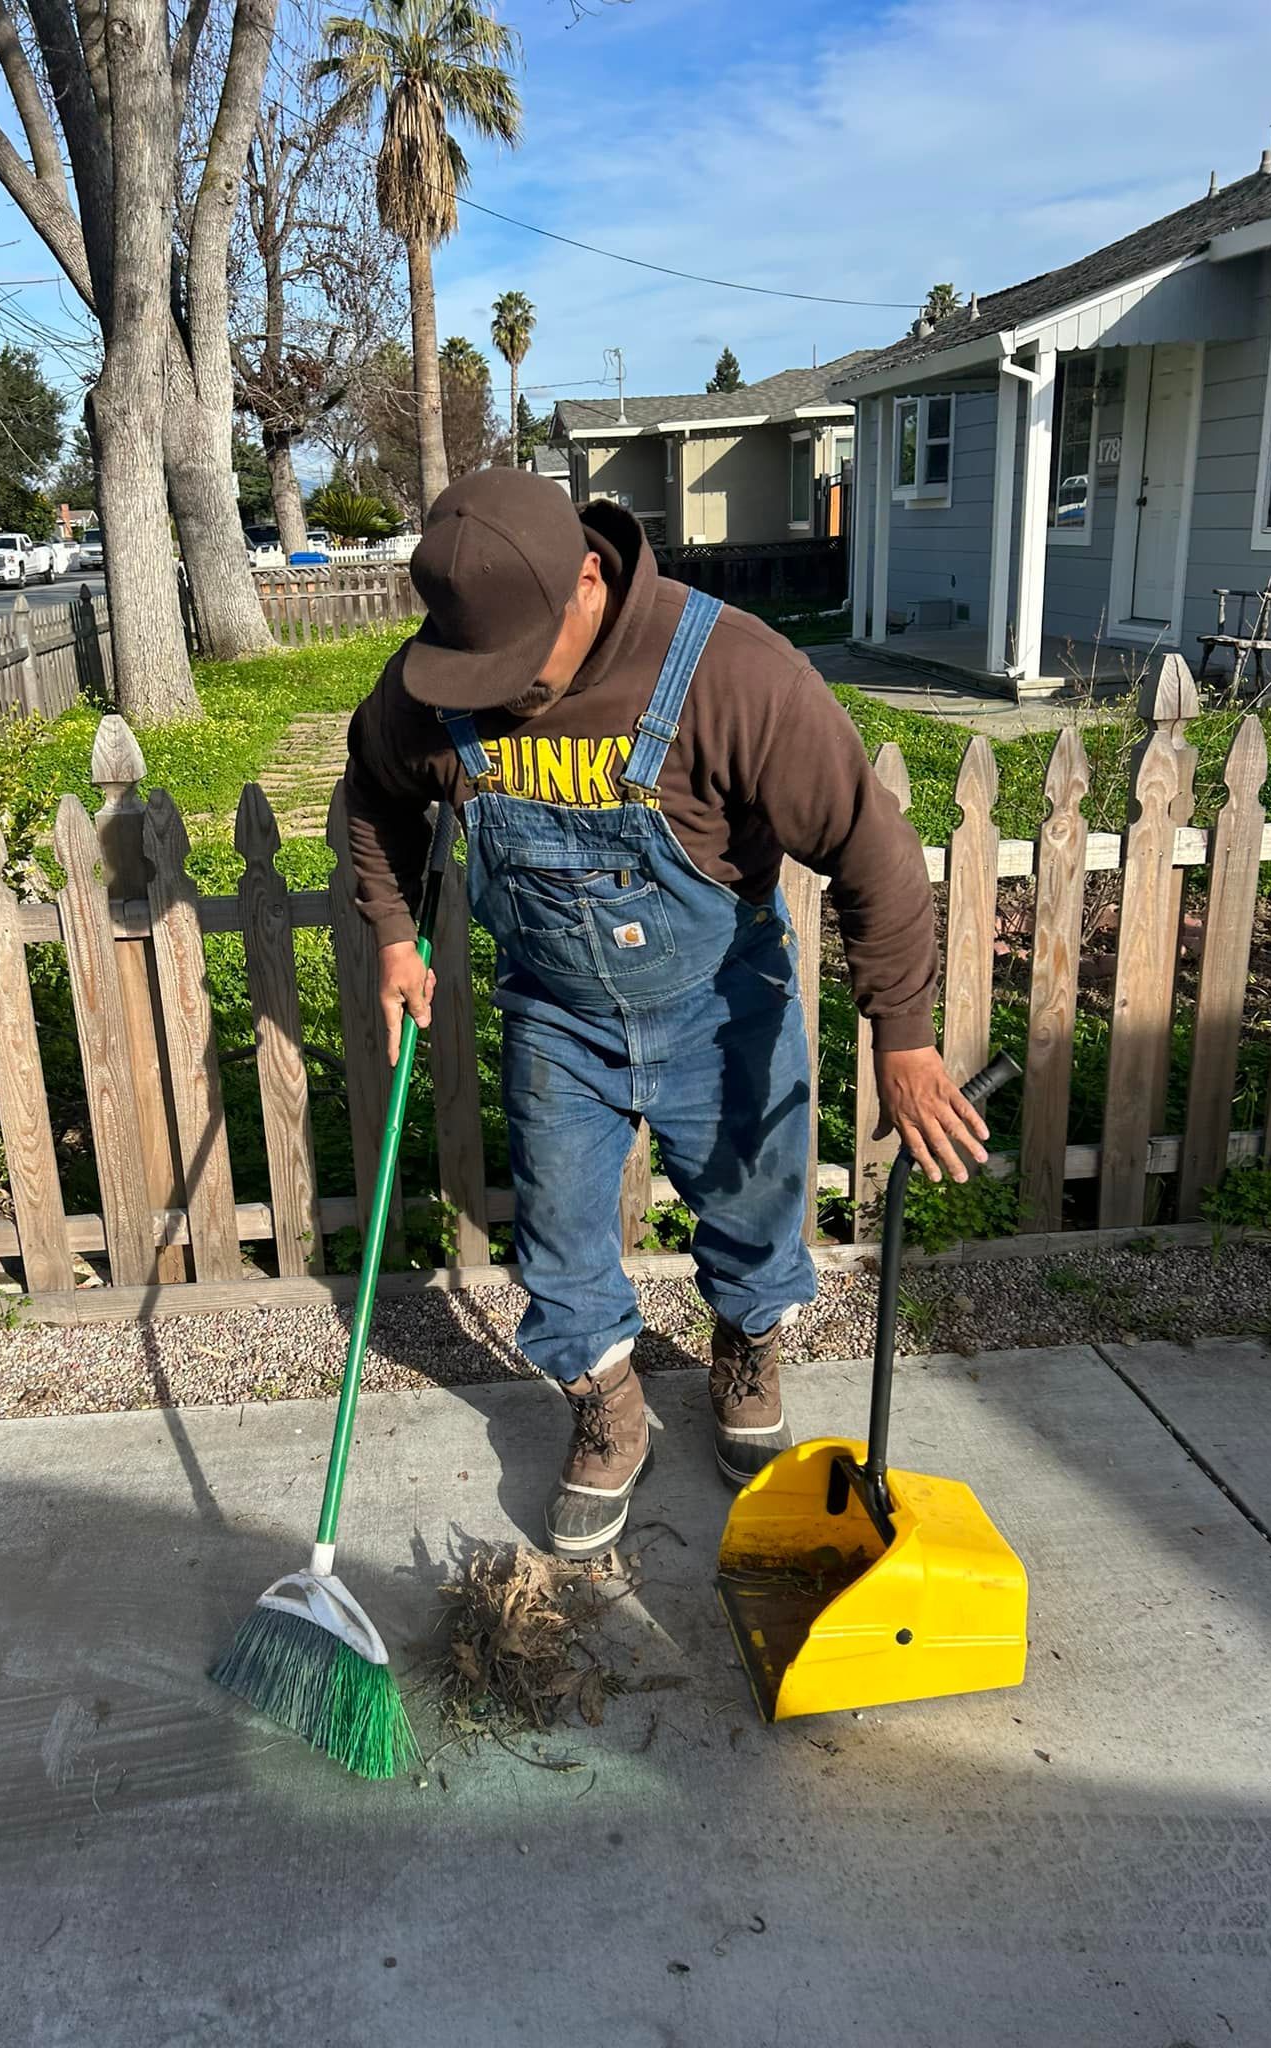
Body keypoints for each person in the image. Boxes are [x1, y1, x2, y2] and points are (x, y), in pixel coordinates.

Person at [343, 469, 986, 1559]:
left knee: (754, 1214)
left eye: (515, 663)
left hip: (720, 1003)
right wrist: (397, 935)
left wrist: (907, 1040)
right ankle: (607, 1405)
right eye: (475, 670)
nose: (493, 691)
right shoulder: (432, 686)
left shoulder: (730, 673)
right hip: (556, 1016)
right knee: (558, 1240)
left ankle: (744, 1347)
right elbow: (373, 792)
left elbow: (874, 855)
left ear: (589, 577)